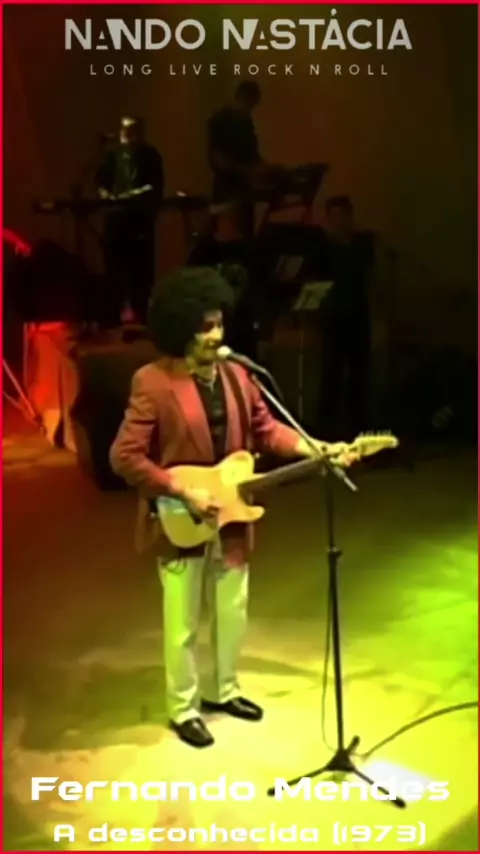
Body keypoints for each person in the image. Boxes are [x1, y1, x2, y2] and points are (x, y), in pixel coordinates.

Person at [109, 266, 357, 748]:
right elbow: (124, 456)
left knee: (232, 610)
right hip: (182, 517)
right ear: (181, 329)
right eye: (204, 326)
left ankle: (224, 690)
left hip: (233, 513)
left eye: (219, 323)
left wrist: (315, 447)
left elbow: (267, 430)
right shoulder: (153, 382)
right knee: (182, 622)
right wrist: (182, 490)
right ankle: (184, 707)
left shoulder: (240, 375)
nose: (216, 335)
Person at [95, 116, 164, 328]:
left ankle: (141, 316)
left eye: (131, 129)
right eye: (123, 129)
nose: (126, 134)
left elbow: (154, 186)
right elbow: (100, 181)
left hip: (139, 220)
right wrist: (105, 195)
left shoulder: (150, 156)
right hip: (116, 220)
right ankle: (113, 316)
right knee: (114, 270)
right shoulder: (111, 156)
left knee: (140, 272)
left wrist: (128, 197)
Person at [317, 196, 375, 439]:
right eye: (334, 216)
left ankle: (358, 423)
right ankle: (327, 426)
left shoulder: (362, 246)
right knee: (332, 371)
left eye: (343, 216)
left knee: (359, 372)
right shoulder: (323, 248)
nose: (339, 221)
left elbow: (371, 277)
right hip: (333, 317)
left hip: (358, 315)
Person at [207, 81, 264, 239]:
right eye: (251, 104)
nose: (251, 110)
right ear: (243, 98)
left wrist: (265, 168)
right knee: (228, 241)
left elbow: (251, 155)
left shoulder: (245, 123)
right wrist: (250, 171)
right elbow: (219, 160)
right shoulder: (222, 121)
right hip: (227, 192)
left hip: (243, 192)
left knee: (244, 240)